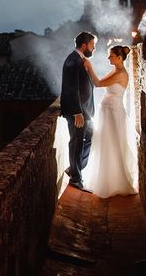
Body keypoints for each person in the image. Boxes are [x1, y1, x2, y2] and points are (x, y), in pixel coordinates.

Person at [82, 45, 138, 198]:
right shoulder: (115, 70)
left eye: (111, 56)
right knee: (105, 144)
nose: (108, 58)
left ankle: (115, 182)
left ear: (119, 58)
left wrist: (89, 66)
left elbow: (98, 84)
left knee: (112, 144)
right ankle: (104, 180)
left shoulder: (120, 73)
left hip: (113, 112)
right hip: (108, 111)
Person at [60, 31, 97, 190]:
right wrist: (77, 112)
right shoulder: (73, 61)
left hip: (85, 112)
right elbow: (70, 88)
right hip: (78, 113)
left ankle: (75, 168)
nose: (93, 49)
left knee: (89, 137)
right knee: (76, 143)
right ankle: (75, 180)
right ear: (84, 45)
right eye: (92, 46)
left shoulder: (80, 60)